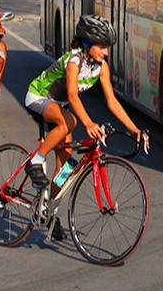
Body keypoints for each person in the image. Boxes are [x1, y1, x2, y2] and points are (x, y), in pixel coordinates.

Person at [23, 15, 148, 189]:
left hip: (60, 104)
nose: (106, 52)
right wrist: (88, 123)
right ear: (87, 44)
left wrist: (134, 129)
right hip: (38, 97)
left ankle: (48, 210)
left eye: (108, 48)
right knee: (70, 122)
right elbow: (73, 95)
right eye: (102, 47)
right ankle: (35, 162)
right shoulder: (74, 61)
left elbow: (111, 101)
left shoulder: (101, 67)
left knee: (65, 169)